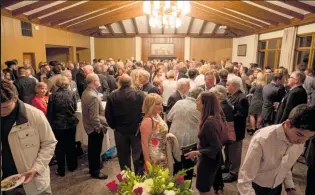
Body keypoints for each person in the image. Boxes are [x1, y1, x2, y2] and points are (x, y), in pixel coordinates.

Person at [237, 105, 315, 195]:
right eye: (299, 134)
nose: (302, 142)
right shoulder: (263, 138)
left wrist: (290, 187)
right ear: (288, 124)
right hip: (254, 188)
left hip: (276, 188)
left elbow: (285, 165)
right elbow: (244, 179)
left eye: (308, 137)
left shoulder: (299, 141)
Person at [1, 79, 57, 195]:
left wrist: (36, 169)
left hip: (33, 181)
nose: (1, 111)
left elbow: (49, 143)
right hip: (5, 183)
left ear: (15, 98)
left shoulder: (34, 115)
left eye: (5, 107)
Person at [105, 74, 145, 174]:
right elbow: (145, 111)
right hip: (136, 130)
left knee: (123, 157)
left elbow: (108, 115)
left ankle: (126, 180)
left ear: (119, 83)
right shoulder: (140, 94)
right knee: (137, 156)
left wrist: (113, 126)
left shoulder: (112, 96)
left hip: (120, 131)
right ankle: (139, 181)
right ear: (131, 83)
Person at [184, 92, 223, 195]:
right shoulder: (212, 117)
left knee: (203, 188)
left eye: (197, 100)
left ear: (204, 104)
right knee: (205, 186)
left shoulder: (209, 122)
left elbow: (215, 146)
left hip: (209, 160)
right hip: (210, 159)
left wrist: (197, 152)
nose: (195, 102)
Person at [168, 87, 203, 180]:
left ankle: (174, 189)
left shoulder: (179, 102)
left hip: (174, 137)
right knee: (188, 168)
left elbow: (169, 118)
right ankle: (186, 189)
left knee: (175, 166)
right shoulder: (199, 107)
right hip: (190, 140)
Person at [47, 76, 78, 177]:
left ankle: (61, 171)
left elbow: (50, 113)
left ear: (57, 84)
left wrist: (50, 124)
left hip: (58, 125)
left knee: (59, 148)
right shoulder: (72, 94)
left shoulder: (53, 96)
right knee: (71, 145)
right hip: (70, 123)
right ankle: (72, 166)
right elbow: (75, 108)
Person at [81, 73, 108, 179]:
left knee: (93, 150)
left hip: (88, 127)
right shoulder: (92, 96)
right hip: (94, 128)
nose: (100, 81)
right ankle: (95, 171)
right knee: (95, 151)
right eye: (98, 79)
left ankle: (93, 168)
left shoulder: (87, 92)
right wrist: (98, 128)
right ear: (93, 82)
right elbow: (94, 117)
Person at [210, 85, 234, 195]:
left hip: (216, 138)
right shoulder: (222, 105)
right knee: (217, 161)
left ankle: (218, 186)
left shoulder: (222, 107)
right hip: (217, 138)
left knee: (216, 162)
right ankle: (218, 185)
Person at [224, 77, 249, 183]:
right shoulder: (232, 95)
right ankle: (227, 166)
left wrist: (230, 114)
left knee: (235, 152)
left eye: (228, 84)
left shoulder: (242, 98)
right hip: (230, 129)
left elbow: (242, 114)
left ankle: (234, 173)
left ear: (234, 86)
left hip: (237, 130)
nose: (226, 86)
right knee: (228, 149)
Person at [140, 93, 169, 167]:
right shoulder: (148, 120)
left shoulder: (157, 116)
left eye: (161, 104)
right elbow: (144, 143)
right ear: (150, 105)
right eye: (157, 104)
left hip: (163, 153)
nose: (161, 107)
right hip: (154, 156)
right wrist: (148, 163)